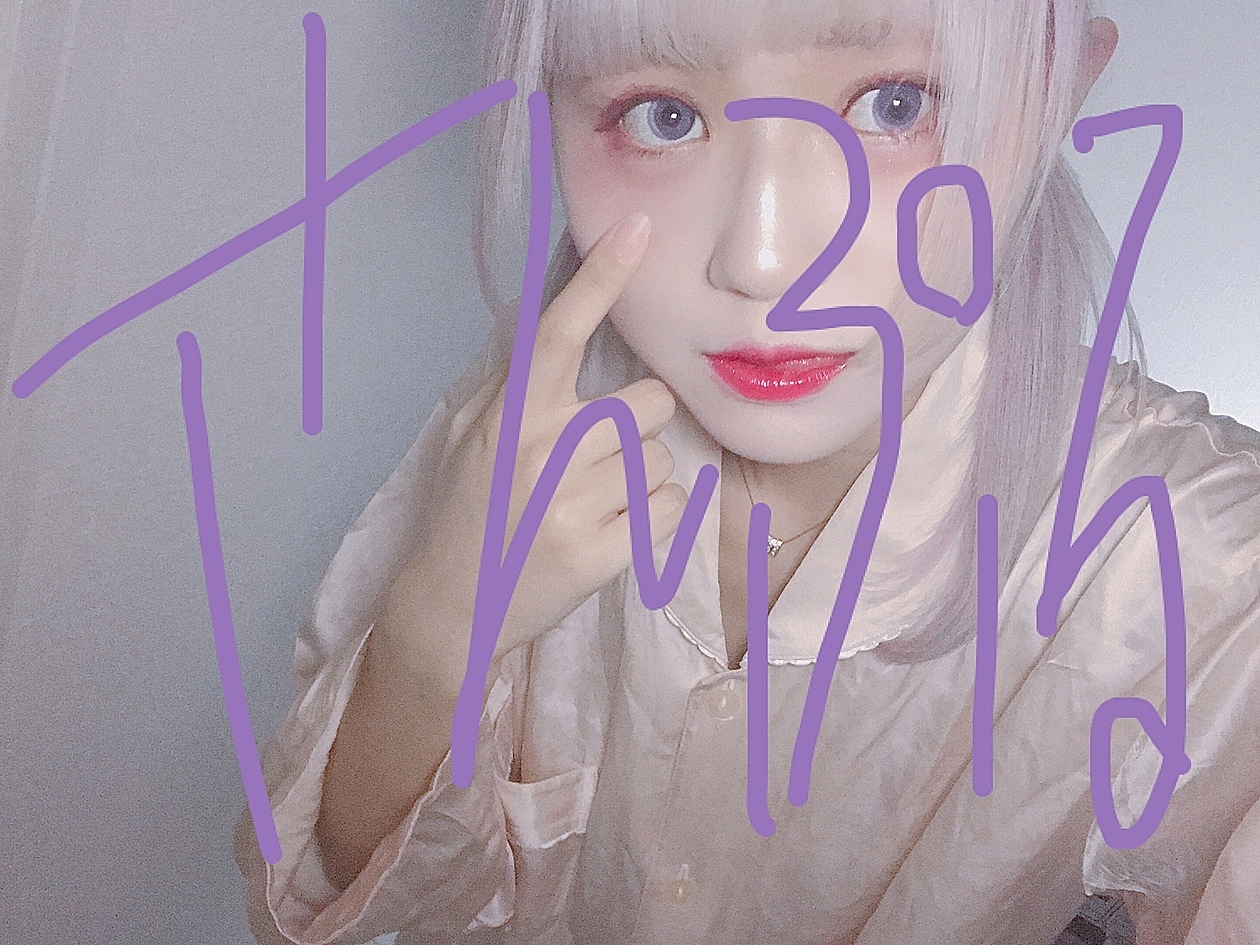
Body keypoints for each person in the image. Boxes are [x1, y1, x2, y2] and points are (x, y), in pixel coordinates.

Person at [235, 0, 1260, 942]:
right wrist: (434, 635)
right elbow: (340, 888)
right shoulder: (538, 419)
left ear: (1063, 88)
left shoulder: (1201, 561)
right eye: (663, 117)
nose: (765, 260)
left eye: (895, 105)